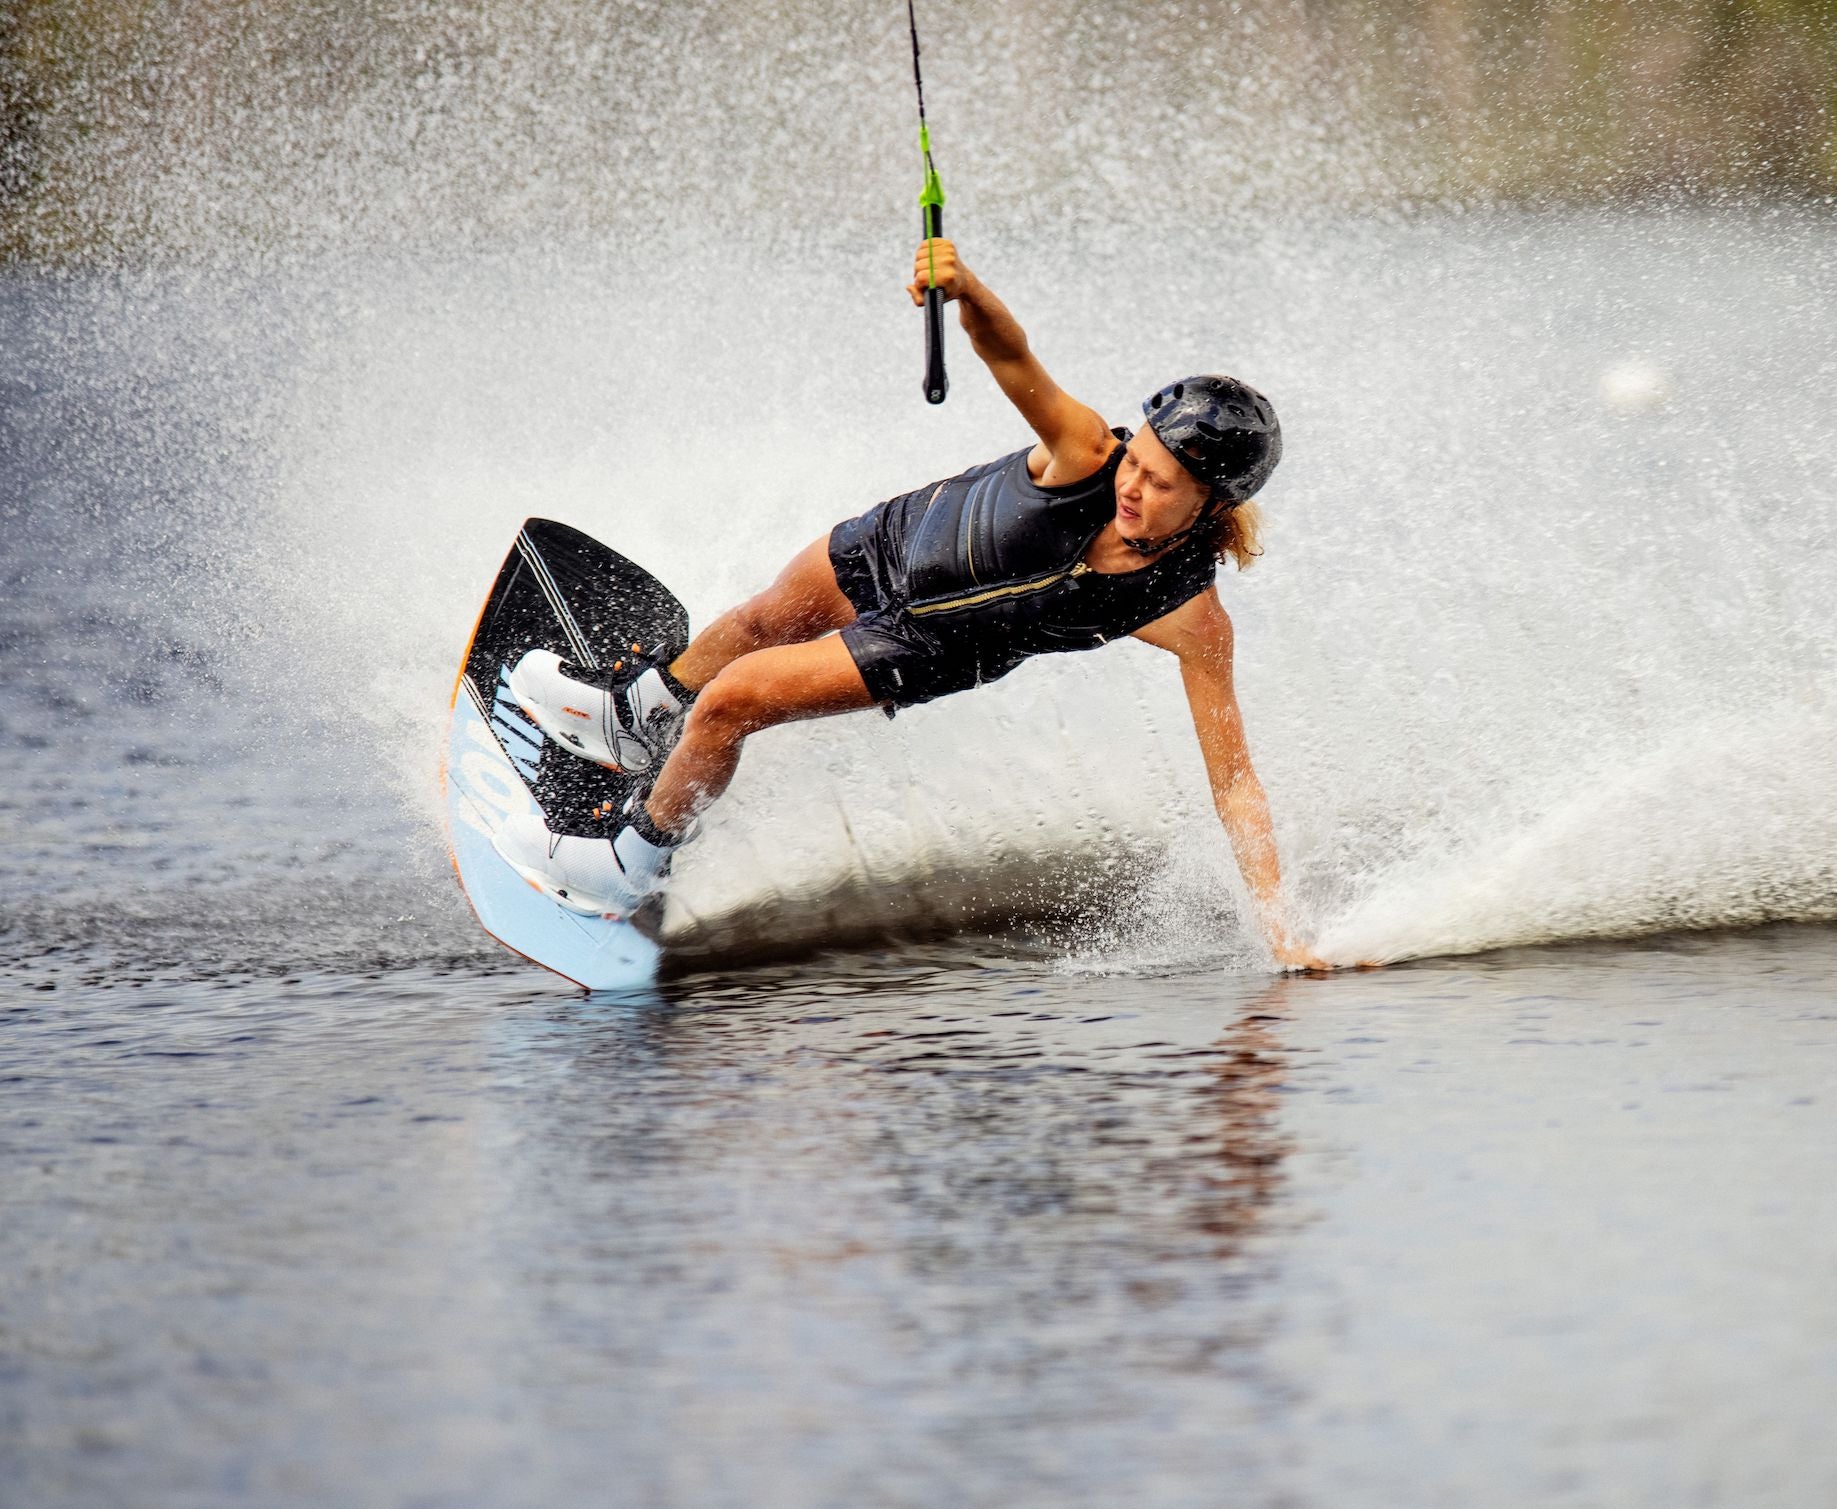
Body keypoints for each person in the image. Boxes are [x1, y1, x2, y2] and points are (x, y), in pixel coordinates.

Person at [489, 237, 1323, 969]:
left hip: (929, 646)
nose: (1132, 485)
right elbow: (1012, 358)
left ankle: (628, 861)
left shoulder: (1189, 615)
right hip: (898, 540)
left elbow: (1237, 784)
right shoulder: (1085, 453)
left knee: (735, 702)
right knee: (758, 620)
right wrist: (964, 290)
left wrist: (1277, 925)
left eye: (1161, 483)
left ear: (1212, 504)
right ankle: (639, 714)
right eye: (1137, 461)